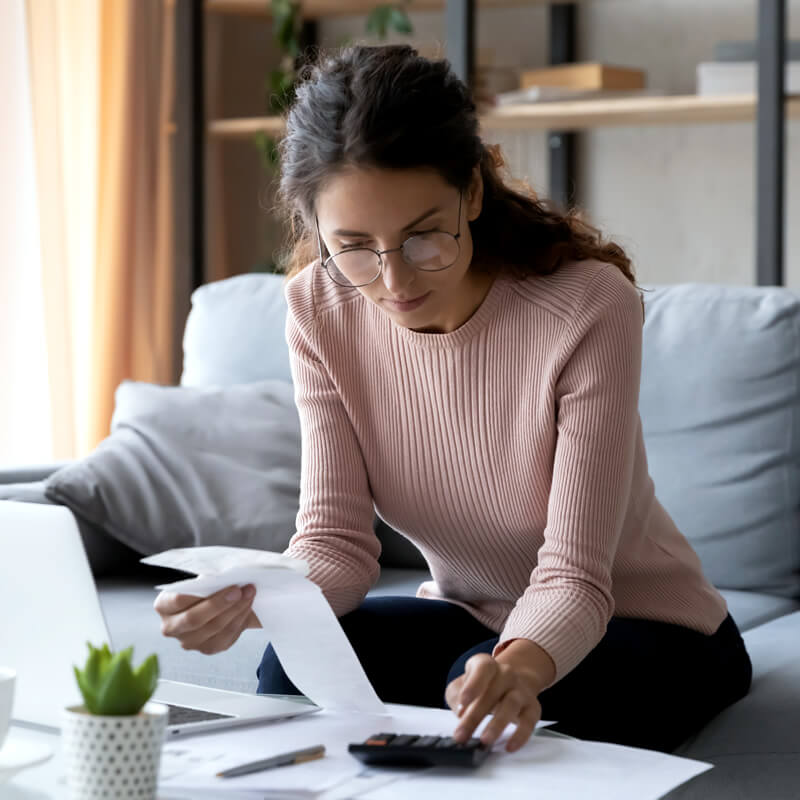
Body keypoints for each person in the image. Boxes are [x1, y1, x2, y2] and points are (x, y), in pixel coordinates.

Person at [154, 44, 752, 754]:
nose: (394, 282)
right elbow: (335, 544)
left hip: (648, 625)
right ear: (315, 228)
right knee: (294, 666)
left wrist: (516, 668)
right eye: (353, 246)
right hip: (472, 617)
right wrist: (248, 599)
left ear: (471, 192)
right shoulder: (319, 307)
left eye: (422, 237)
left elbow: (574, 577)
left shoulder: (587, 306)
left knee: (480, 695)